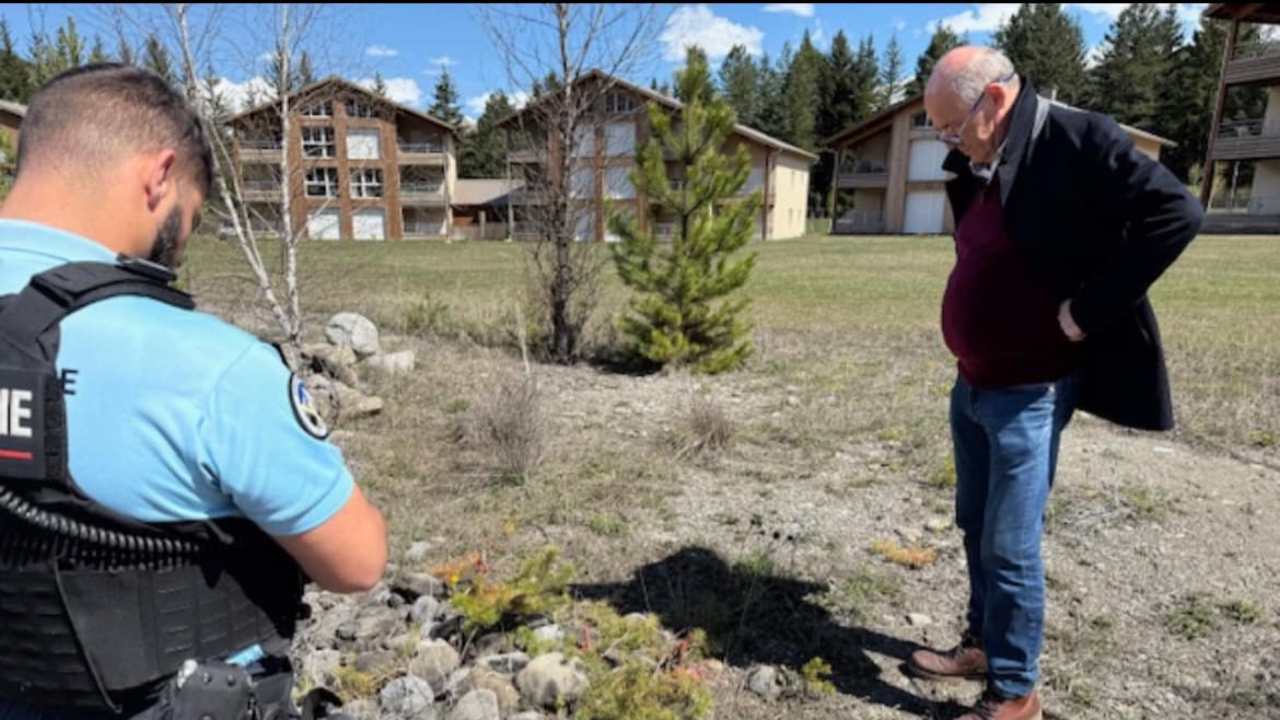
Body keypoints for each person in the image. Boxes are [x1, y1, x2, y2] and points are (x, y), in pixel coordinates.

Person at [0, 64, 387, 719]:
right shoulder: (211, 366)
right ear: (159, 176)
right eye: (190, 219)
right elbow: (356, 561)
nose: (177, 250)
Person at [905, 47, 1202, 720]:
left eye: (952, 128)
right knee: (974, 524)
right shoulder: (982, 157)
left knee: (1010, 545)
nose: (947, 142)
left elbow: (1175, 212)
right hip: (974, 383)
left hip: (1030, 390)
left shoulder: (1077, 138)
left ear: (997, 102)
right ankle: (981, 644)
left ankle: (1017, 694)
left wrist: (1090, 309)